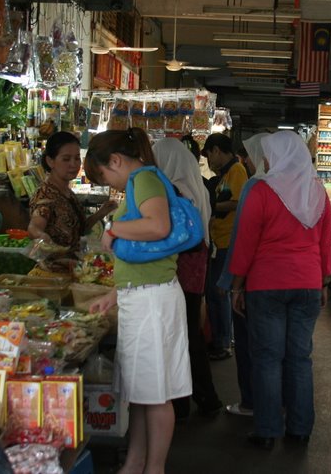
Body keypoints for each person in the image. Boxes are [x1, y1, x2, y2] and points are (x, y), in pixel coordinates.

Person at [85, 129, 191, 474]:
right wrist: (114, 293)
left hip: (152, 302)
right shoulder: (141, 180)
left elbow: (158, 226)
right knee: (145, 393)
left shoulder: (143, 178)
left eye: (106, 177)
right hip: (144, 296)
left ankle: (153, 468)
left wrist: (114, 229)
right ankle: (135, 463)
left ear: (115, 161)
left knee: (156, 395)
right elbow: (145, 258)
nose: (112, 185)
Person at [229, 131, 331, 449]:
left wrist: (236, 285)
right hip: (308, 283)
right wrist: (324, 281)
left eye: (268, 155)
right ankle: (300, 429)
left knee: (267, 358)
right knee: (300, 358)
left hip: (267, 285)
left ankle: (268, 430)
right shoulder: (318, 192)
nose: (264, 161)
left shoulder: (262, 190)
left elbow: (246, 243)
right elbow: (325, 242)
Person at [153, 138, 223, 421]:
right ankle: (204, 397)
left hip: (181, 267)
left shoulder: (174, 190)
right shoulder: (198, 186)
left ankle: (184, 402)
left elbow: (169, 233)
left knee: (179, 335)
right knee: (189, 332)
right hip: (197, 265)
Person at [218, 132, 269, 418]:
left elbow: (243, 240)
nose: (246, 161)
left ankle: (252, 402)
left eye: (249, 155)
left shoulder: (255, 187)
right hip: (298, 282)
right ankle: (279, 406)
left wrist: (233, 284)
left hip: (256, 281)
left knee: (250, 346)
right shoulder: (303, 186)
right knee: (280, 351)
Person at [27, 131, 116, 271]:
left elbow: (81, 229)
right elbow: (34, 227)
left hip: (73, 269)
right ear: (50, 161)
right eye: (66, 159)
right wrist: (41, 236)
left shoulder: (67, 193)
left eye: (77, 158)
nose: (74, 164)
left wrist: (102, 212)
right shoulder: (46, 196)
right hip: (52, 273)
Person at [201, 133, 248, 360]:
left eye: (209, 155)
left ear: (217, 150)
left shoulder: (237, 171)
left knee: (219, 292)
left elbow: (239, 203)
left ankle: (223, 343)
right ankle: (222, 340)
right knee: (215, 292)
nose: (209, 161)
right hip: (219, 240)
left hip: (228, 240)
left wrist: (211, 207)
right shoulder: (225, 174)